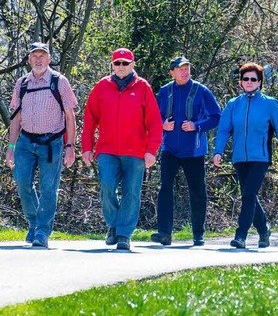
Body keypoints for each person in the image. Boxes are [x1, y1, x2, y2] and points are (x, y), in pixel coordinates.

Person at [82, 48, 163, 251]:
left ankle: (124, 234)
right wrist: (87, 147)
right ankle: (113, 225)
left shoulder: (143, 87)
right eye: (117, 63)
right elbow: (90, 119)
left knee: (131, 193)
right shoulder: (102, 86)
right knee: (107, 187)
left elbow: (154, 122)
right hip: (107, 149)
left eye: (125, 63)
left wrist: (151, 150)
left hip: (135, 151)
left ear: (132, 65)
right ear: (112, 65)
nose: (121, 67)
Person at [213, 63, 278, 249]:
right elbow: (223, 130)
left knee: (248, 195)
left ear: (259, 82)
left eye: (253, 79)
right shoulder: (233, 104)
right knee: (249, 195)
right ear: (241, 82)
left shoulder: (270, 104)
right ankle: (263, 229)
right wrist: (217, 151)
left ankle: (240, 235)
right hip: (240, 158)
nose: (249, 82)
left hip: (260, 158)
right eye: (245, 79)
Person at [5, 42, 77, 248]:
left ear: (49, 59)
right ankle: (35, 223)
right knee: (22, 183)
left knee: (48, 188)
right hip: (26, 142)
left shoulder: (59, 81)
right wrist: (11, 147)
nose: (38, 60)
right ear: (29, 60)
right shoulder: (22, 83)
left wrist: (70, 147)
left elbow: (70, 117)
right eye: (34, 56)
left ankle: (42, 232)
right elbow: (16, 118)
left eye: (42, 56)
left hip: (52, 143)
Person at [151, 57, 222, 246]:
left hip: (194, 150)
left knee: (197, 191)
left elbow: (216, 117)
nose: (185, 71)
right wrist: (162, 125)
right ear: (172, 72)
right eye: (180, 69)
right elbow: (153, 117)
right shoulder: (165, 91)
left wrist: (196, 125)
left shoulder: (201, 90)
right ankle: (164, 233)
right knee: (165, 188)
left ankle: (198, 234)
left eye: (187, 68)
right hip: (170, 149)